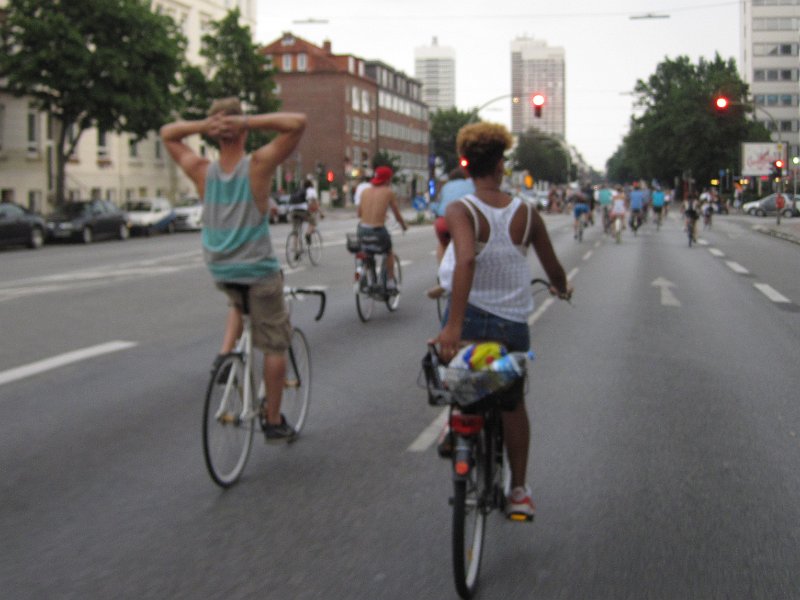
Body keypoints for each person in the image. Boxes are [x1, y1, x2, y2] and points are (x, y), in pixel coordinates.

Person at [434, 122, 571, 521]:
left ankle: (456, 425)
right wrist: (562, 288)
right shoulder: (526, 212)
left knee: (459, 378)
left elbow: (465, 259)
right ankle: (518, 491)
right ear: (500, 165)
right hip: (512, 325)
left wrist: (453, 325)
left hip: (471, 319)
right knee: (512, 403)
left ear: (467, 166)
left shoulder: (461, 209)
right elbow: (553, 267)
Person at [160, 97, 307, 443]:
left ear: (214, 136)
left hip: (221, 269)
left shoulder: (201, 170)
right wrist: (247, 122)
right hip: (257, 271)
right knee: (274, 344)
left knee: (237, 302)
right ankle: (273, 420)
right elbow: (297, 122)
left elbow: (168, 134)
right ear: (240, 131)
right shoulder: (257, 165)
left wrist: (202, 126)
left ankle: (226, 354)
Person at [356, 166, 408, 289]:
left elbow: (359, 214)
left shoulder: (365, 192)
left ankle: (367, 277)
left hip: (362, 230)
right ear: (388, 179)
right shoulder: (388, 192)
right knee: (389, 252)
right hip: (378, 231)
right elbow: (396, 213)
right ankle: (390, 282)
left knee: (367, 252)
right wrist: (403, 225)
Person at [433, 166, 475, 262]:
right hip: (463, 221)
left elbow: (437, 204)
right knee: (471, 245)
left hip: (442, 222)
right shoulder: (471, 185)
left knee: (442, 245)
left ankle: (441, 272)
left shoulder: (445, 187)